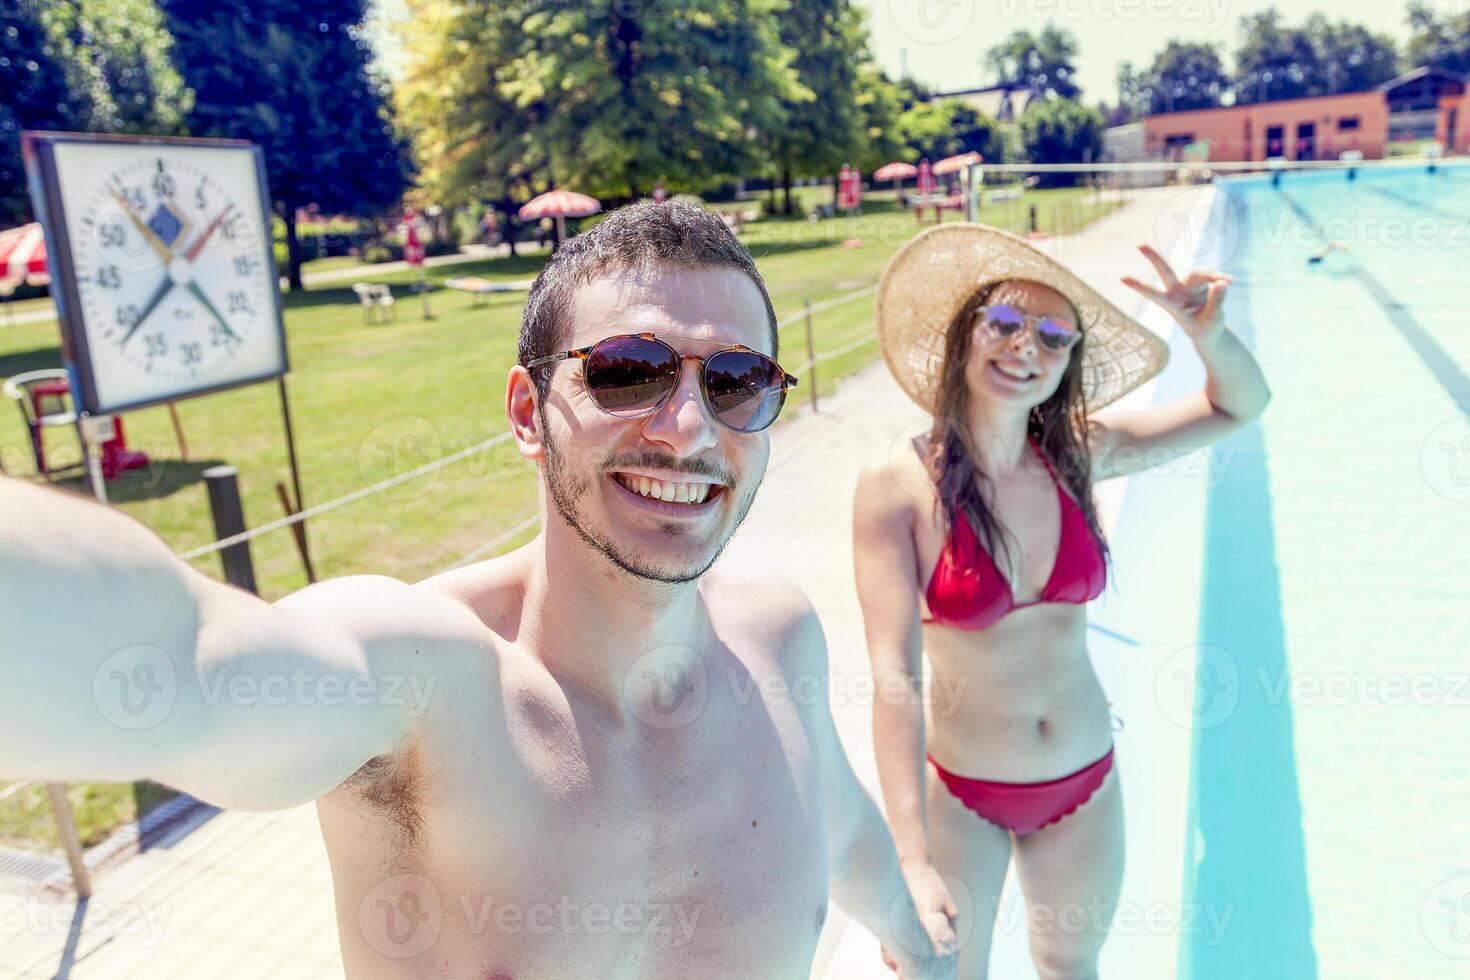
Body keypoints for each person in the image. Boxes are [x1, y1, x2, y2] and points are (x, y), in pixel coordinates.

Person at [0, 202, 957, 979]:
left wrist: (928, 954)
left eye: (738, 382)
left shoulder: (780, 637)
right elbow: (186, 658)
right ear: (527, 414)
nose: (688, 430)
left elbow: (840, 826)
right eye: (629, 371)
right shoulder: (427, 686)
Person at [853, 223, 1270, 978]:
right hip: (963, 792)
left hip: (1083, 785)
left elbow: (1240, 406)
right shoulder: (898, 484)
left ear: (1068, 363)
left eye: (1053, 337)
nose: (1026, 348)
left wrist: (1206, 333)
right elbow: (893, 675)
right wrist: (907, 859)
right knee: (940, 973)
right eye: (1007, 324)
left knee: (1070, 968)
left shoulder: (1079, 451)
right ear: (965, 336)